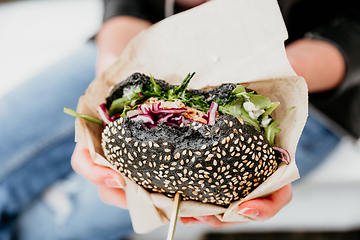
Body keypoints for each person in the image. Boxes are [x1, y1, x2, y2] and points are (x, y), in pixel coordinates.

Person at [0, 0, 359, 239]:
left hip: (305, 95)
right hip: (149, 40)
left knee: (47, 231)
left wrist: (277, 78)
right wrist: (117, 61)